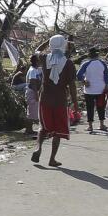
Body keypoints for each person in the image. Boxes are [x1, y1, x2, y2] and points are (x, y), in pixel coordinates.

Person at [33, 35, 79, 167]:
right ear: (63, 46)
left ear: (51, 46)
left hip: (45, 98)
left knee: (43, 127)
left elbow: (36, 51)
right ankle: (52, 159)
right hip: (60, 100)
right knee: (58, 130)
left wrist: (47, 42)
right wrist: (75, 103)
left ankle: (38, 147)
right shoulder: (68, 63)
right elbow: (72, 86)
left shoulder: (44, 58)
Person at [76, 47, 108, 133]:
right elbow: (106, 76)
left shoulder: (86, 64)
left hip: (89, 90)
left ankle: (90, 126)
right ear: (97, 54)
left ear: (89, 55)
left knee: (90, 108)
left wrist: (84, 81)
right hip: (101, 89)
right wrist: (106, 86)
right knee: (101, 107)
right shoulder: (102, 63)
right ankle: (102, 124)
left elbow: (78, 75)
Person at [24, 53, 43, 136]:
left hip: (35, 91)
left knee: (33, 111)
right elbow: (33, 84)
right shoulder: (32, 71)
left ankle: (30, 129)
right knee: (31, 112)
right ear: (37, 61)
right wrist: (36, 94)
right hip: (32, 92)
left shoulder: (37, 69)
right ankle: (28, 130)